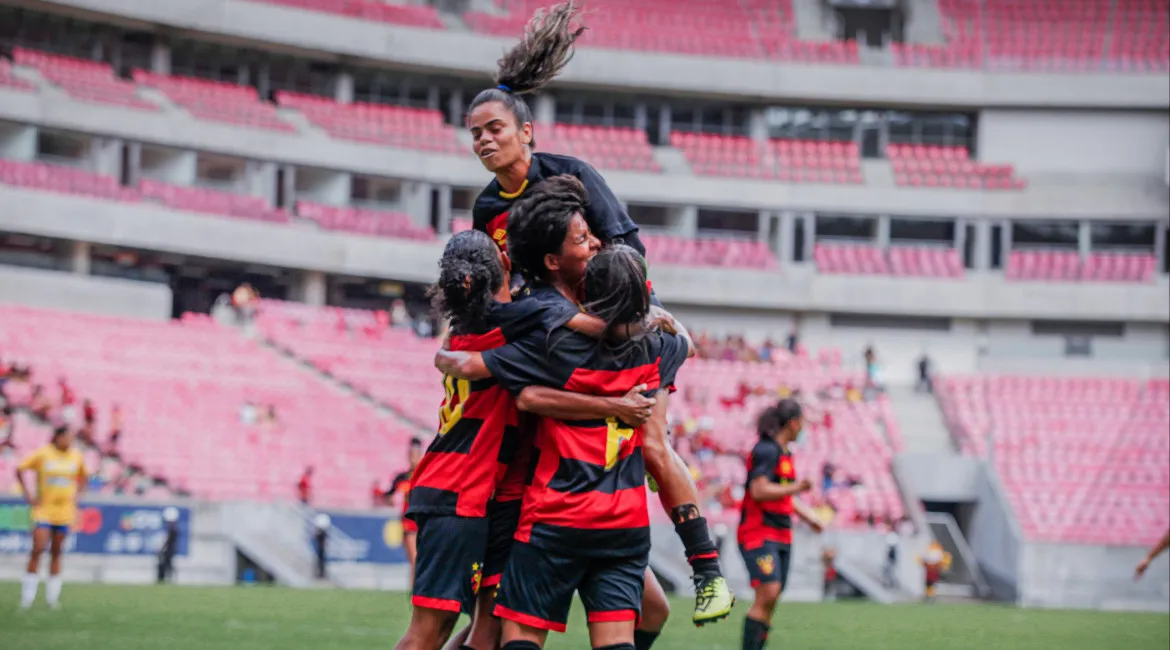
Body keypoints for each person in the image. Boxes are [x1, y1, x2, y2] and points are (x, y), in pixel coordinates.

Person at [466, 1, 734, 609]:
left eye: (495, 129)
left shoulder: (572, 175)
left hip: (616, 321)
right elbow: (500, 284)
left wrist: (638, 316)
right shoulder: (486, 209)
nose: (484, 140)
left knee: (651, 440)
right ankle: (493, 578)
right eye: (475, 133)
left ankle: (707, 571)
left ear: (525, 131)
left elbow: (628, 251)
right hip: (555, 332)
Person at [441, 176, 732, 645]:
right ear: (554, 260)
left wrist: (448, 343)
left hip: (557, 512)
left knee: (500, 630)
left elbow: (513, 386)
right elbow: (686, 346)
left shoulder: (546, 336)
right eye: (583, 239)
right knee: (487, 630)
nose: (596, 241)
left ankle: (708, 568)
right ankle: (707, 566)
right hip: (598, 516)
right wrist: (640, 341)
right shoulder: (649, 343)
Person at [398, 230, 658, 650]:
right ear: (502, 262)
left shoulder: (470, 323)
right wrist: (645, 323)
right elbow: (588, 332)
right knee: (432, 629)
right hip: (458, 488)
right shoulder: (517, 323)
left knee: (493, 626)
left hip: (494, 494)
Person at [738, 399, 824, 650]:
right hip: (758, 531)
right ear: (794, 423)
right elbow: (759, 490)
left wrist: (809, 517)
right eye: (803, 422)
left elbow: (783, 493)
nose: (804, 428)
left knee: (771, 598)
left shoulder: (785, 453)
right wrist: (800, 487)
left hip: (782, 533)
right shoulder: (766, 450)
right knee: (769, 591)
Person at [15, 425, 87, 609]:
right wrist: (28, 495)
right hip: (44, 510)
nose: (70, 441)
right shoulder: (43, 454)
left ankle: (52, 598)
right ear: (58, 437)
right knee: (38, 549)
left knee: (56, 552)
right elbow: (20, 469)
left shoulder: (76, 456)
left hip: (64, 512)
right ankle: (27, 597)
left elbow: (84, 477)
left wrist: (77, 496)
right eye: (68, 437)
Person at [389, 437, 423, 589]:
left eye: (416, 454)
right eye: (411, 454)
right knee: (415, 560)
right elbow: (389, 495)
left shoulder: (425, 476)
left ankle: (418, 592)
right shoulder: (402, 478)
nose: (413, 458)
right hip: (409, 524)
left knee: (420, 561)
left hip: (422, 523)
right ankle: (415, 593)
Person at [157, 506, 180, 584]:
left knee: (167, 564)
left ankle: (167, 578)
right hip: (169, 549)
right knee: (166, 564)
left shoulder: (173, 529)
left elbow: (168, 541)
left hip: (169, 550)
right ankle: (165, 578)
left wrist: (163, 548)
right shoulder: (172, 529)